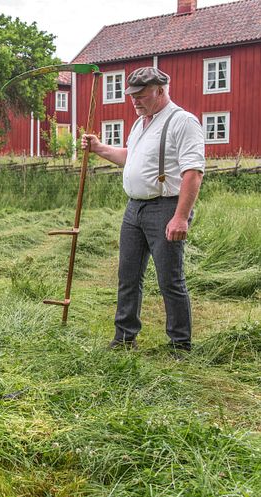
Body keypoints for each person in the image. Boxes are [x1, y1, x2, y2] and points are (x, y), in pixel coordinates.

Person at [81, 67, 205, 353]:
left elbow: (193, 172)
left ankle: (179, 344)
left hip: (165, 208)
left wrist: (181, 217)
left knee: (169, 279)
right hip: (134, 209)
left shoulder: (182, 121)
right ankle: (124, 338)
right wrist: (100, 148)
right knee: (128, 276)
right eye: (131, 95)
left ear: (160, 90)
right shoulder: (141, 123)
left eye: (141, 95)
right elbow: (130, 157)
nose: (134, 100)